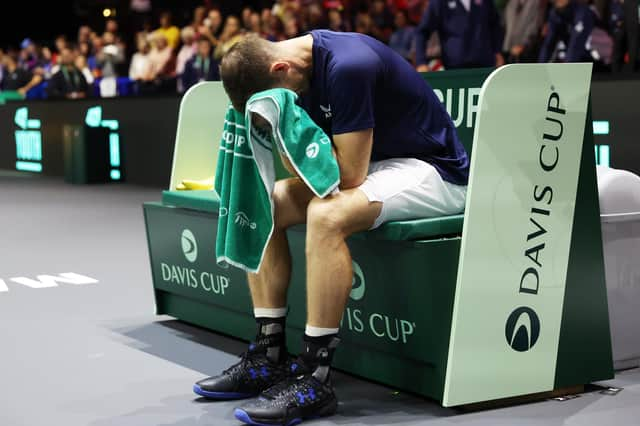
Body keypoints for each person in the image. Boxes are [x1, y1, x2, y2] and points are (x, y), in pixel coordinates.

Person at [195, 31, 468, 426]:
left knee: (327, 215)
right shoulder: (290, 74)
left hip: (432, 171)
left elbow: (349, 175)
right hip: (377, 163)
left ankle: (315, 376)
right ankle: (269, 354)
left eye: (278, 96)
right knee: (263, 201)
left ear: (280, 68)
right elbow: (318, 170)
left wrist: (283, 127)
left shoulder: (348, 66)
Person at [415, 0, 504, 70]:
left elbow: (495, 25)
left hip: (485, 65)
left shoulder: (485, 1)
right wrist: (421, 62)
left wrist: (497, 51)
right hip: (454, 68)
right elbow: (422, 32)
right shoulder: (440, 2)